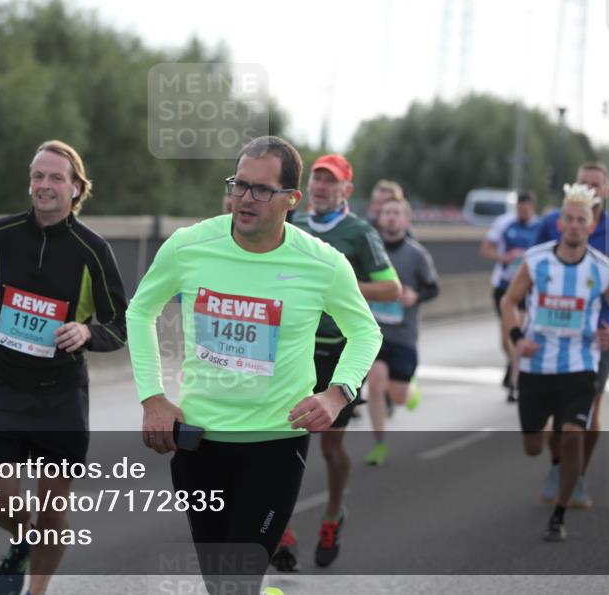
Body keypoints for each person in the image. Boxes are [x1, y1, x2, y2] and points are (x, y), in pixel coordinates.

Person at [125, 136, 382, 594]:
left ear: (291, 199)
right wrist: (153, 397)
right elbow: (139, 310)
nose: (245, 198)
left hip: (276, 445)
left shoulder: (322, 264)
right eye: (239, 185)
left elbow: (366, 331)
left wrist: (338, 392)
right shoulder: (189, 246)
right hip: (199, 443)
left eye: (261, 189)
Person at [0, 140, 128, 595]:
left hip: (60, 392)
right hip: (3, 385)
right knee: (1, 500)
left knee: (52, 507)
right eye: (38, 176)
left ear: (76, 188)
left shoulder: (93, 250)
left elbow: (120, 323)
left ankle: (37, 590)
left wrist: (87, 333)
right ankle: (20, 540)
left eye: (55, 178)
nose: (44, 186)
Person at [273, 154, 401, 570]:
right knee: (281, 441)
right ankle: (281, 527)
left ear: (347, 190)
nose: (321, 187)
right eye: (317, 179)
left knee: (330, 448)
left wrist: (338, 281)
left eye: (331, 182)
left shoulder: (359, 233)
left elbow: (391, 289)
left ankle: (332, 514)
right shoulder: (294, 226)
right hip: (295, 350)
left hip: (339, 352)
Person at [500, 183, 609, 541]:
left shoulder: (603, 269)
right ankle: (550, 441)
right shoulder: (536, 260)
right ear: (559, 224)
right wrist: (516, 339)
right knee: (532, 446)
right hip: (536, 364)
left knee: (574, 434)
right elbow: (509, 302)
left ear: (591, 225)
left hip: (580, 362)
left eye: (581, 220)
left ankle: (559, 512)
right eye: (568, 219)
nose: (574, 226)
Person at [530, 162, 609, 508]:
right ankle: (558, 465)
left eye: (596, 184)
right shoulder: (551, 223)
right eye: (583, 183)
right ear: (572, 187)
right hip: (549, 329)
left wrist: (594, 277)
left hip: (597, 333)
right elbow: (528, 267)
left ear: (607, 191)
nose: (589, 189)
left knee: (587, 410)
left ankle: (576, 477)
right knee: (552, 414)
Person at [365, 195, 440, 463]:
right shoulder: (370, 251)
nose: (392, 217)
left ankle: (410, 392)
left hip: (404, 335)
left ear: (405, 220)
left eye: (397, 213)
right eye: (387, 212)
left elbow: (434, 288)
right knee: (375, 383)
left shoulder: (416, 254)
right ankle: (380, 444)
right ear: (379, 218)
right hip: (374, 332)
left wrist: (415, 296)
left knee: (397, 396)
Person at [480, 191, 541, 402]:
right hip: (504, 286)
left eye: (527, 209)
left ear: (532, 208)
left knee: (518, 331)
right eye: (519, 208)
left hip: (527, 288)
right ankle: (513, 363)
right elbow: (486, 248)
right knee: (505, 338)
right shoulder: (504, 223)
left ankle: (515, 383)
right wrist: (503, 257)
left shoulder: (539, 227)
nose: (522, 212)